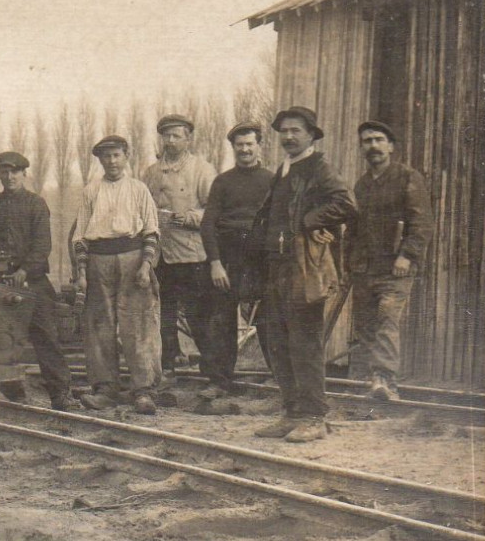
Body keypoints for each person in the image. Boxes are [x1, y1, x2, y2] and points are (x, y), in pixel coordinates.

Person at [249, 106, 357, 442]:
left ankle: (314, 417)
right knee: (277, 341)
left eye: (296, 130)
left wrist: (311, 221)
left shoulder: (319, 167)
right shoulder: (283, 169)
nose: (289, 136)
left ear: (311, 134)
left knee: (305, 341)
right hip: (276, 267)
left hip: (303, 267)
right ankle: (292, 413)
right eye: (284, 130)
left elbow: (346, 204)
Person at [0, 150, 75, 410]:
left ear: (24, 174)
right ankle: (12, 391)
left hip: (32, 281)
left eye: (14, 172)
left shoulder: (36, 204)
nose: (9, 176)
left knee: (45, 335)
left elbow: (42, 246)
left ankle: (60, 394)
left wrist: (24, 272)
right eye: (4, 172)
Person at [72, 135, 162, 414]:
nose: (112, 161)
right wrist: (82, 273)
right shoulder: (90, 191)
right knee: (100, 326)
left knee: (138, 325)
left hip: (132, 259)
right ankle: (105, 388)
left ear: (126, 157)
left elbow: (151, 230)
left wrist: (146, 265)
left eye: (117, 155)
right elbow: (80, 236)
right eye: (106, 157)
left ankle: (143, 390)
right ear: (99, 160)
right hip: (99, 260)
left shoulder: (138, 189)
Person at [348, 120, 432, 401]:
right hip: (364, 269)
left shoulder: (408, 177)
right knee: (366, 325)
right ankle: (373, 381)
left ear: (391, 146)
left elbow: (421, 222)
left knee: (386, 320)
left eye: (378, 139)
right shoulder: (361, 185)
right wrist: (347, 263)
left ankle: (385, 380)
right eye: (367, 141)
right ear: (361, 148)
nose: (373, 145)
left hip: (394, 270)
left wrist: (407, 255)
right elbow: (353, 229)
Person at [197, 123, 276, 399]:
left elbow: (278, 222)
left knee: (269, 319)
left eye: (249, 144)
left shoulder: (271, 180)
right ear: (233, 148)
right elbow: (208, 225)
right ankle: (219, 382)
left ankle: (280, 380)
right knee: (221, 320)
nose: (244, 149)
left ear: (259, 146)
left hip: (260, 259)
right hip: (228, 257)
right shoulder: (223, 182)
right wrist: (215, 263)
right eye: (239, 145)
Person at [141, 113, 217, 381]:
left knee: (199, 314)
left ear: (188, 138)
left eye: (176, 135)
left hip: (192, 254)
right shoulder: (150, 173)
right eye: (166, 136)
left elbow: (215, 210)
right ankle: (169, 364)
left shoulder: (202, 170)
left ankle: (212, 369)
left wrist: (192, 217)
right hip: (161, 255)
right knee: (164, 313)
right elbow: (143, 209)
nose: (170, 141)